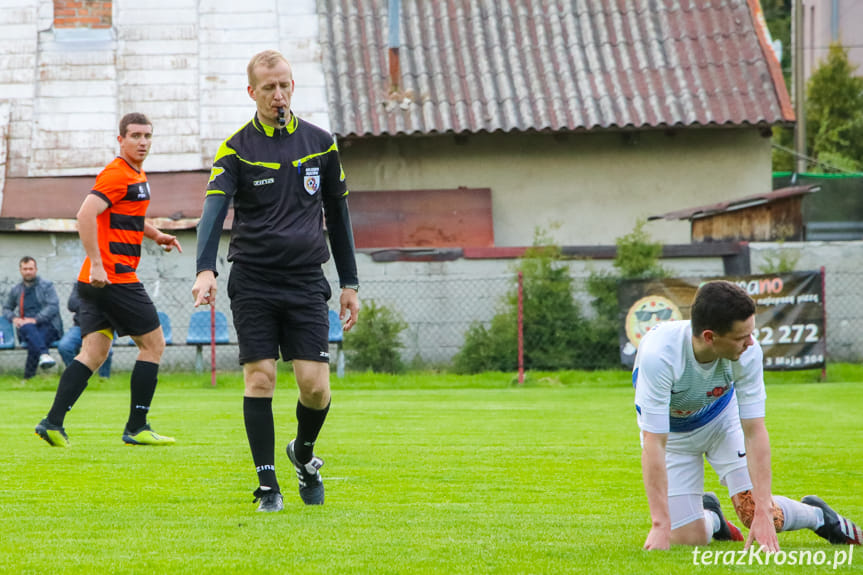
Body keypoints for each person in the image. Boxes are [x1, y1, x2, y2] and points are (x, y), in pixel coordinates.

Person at [193, 49, 360, 512]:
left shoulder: (321, 143)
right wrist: (205, 267)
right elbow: (212, 211)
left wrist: (350, 282)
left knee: (315, 387)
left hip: (307, 279)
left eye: (284, 84)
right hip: (253, 279)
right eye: (269, 87)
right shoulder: (235, 149)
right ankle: (268, 486)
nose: (278, 94)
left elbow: (339, 216)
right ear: (252, 92)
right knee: (261, 378)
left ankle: (303, 455)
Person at [634, 280, 862, 551]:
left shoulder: (748, 352)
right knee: (686, 538)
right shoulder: (659, 357)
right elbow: (654, 442)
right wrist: (660, 525)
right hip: (673, 437)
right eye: (741, 337)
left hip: (722, 422)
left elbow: (755, 431)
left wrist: (764, 511)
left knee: (756, 512)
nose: (751, 343)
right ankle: (714, 519)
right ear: (710, 337)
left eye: (751, 333)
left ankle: (817, 515)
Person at [34, 112, 182, 448]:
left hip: (94, 282)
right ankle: (137, 426)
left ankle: (52, 422)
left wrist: (156, 234)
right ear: (121, 139)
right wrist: (100, 264)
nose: (142, 142)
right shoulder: (116, 173)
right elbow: (85, 214)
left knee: (93, 352)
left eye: (147, 136)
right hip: (113, 277)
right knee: (154, 345)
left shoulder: (136, 174)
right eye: (135, 136)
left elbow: (126, 215)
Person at [2, 257, 63, 379]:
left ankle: (28, 378)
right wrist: (14, 319)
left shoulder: (46, 286)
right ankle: (44, 354)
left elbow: (53, 306)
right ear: (20, 270)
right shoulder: (16, 290)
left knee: (34, 340)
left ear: (36, 270)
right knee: (29, 328)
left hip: (48, 326)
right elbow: (6, 308)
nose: (28, 272)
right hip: (26, 327)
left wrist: (36, 319)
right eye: (25, 269)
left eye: (30, 269)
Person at [57, 283, 112, 378]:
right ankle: (76, 377)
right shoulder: (80, 283)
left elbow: (112, 305)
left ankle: (103, 379)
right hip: (80, 327)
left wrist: (86, 303)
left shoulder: (111, 284)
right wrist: (94, 304)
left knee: (107, 351)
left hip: (104, 327)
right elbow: (72, 305)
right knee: (64, 346)